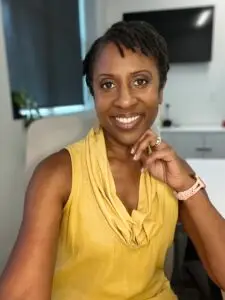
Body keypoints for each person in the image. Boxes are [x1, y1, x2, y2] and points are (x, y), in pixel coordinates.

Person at [0, 21, 225, 300]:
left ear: (160, 90)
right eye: (108, 84)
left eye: (140, 81)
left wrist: (187, 187)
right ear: (94, 95)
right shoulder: (57, 174)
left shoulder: (171, 168)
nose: (125, 100)